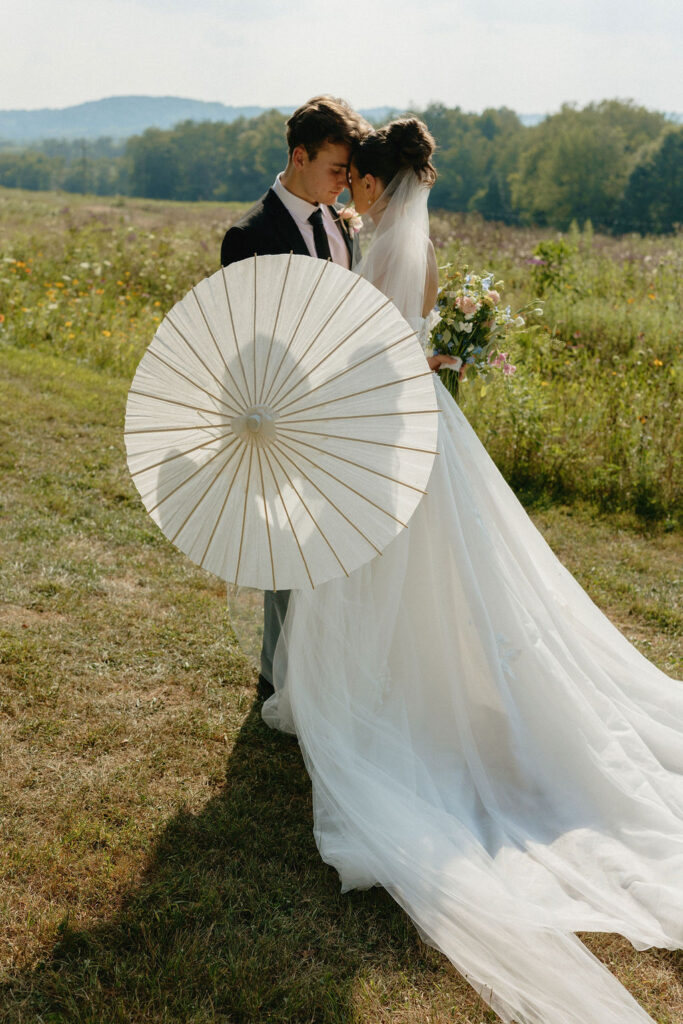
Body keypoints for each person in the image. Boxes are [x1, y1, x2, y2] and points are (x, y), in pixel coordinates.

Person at [262, 118, 683, 1024]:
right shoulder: (416, 250)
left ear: (375, 184)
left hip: (379, 439)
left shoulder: (374, 249)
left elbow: (360, 357)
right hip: (419, 433)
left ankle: (379, 701)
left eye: (355, 181)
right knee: (427, 576)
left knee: (377, 576)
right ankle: (410, 686)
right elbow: (406, 345)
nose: (348, 192)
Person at [220, 95, 368, 700]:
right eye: (337, 170)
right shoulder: (249, 234)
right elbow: (247, 336)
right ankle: (276, 677)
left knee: (334, 540)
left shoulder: (340, 224)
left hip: (344, 407)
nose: (346, 183)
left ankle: (328, 667)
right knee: (283, 545)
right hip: (283, 411)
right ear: (299, 156)